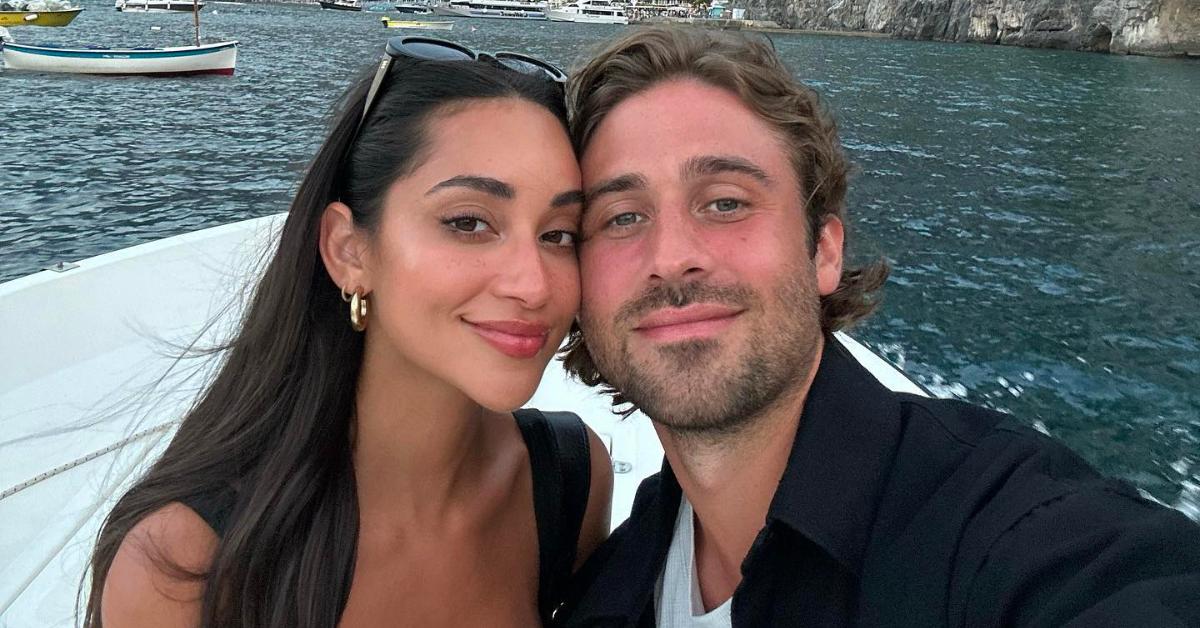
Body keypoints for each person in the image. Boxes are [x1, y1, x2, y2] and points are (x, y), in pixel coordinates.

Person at [553, 26, 1200, 627]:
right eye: (622, 217)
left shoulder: (1001, 535)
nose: (670, 258)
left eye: (726, 202)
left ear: (825, 251)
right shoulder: (610, 584)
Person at [85, 36, 612, 628]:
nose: (534, 285)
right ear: (348, 249)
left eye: (559, 234)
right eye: (468, 222)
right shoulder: (190, 566)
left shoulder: (569, 478)